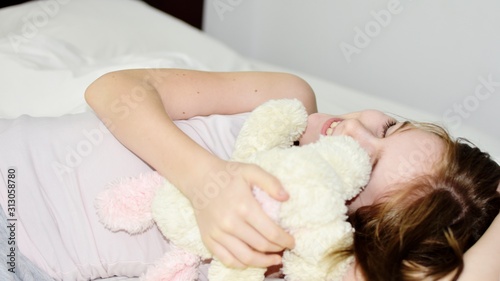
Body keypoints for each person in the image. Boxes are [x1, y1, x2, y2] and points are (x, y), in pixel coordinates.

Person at [84, 68, 500, 281]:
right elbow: (114, 88)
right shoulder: (288, 100)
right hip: (18, 174)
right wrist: (204, 181)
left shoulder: (304, 259)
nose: (353, 128)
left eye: (367, 162)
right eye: (390, 127)